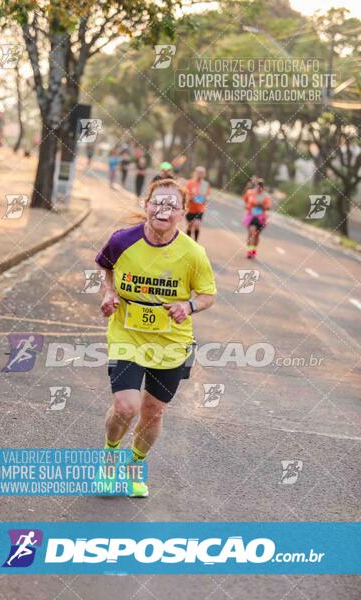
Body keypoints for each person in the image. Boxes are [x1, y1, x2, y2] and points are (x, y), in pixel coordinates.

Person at [95, 179, 217, 497]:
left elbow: (207, 295)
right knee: (126, 406)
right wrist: (109, 293)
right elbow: (106, 269)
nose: (163, 210)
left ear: (182, 213)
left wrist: (187, 306)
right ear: (146, 205)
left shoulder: (193, 254)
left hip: (172, 343)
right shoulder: (122, 241)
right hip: (128, 334)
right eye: (157, 203)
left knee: (153, 411)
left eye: (171, 205)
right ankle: (110, 460)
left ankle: (135, 467)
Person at [242, 179, 271, 259]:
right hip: (251, 216)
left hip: (261, 217)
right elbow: (245, 200)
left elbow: (268, 207)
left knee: (256, 235)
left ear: (263, 187)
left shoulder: (266, 196)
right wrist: (248, 205)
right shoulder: (250, 192)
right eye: (258, 185)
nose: (259, 187)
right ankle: (250, 252)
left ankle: (253, 250)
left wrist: (261, 205)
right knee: (252, 232)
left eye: (261, 185)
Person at [185, 166, 211, 242]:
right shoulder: (190, 183)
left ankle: (195, 242)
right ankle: (188, 242)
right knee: (189, 226)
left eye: (202, 173)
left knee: (197, 224)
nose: (200, 174)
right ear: (195, 173)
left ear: (204, 174)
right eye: (199, 172)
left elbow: (207, 196)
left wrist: (206, 199)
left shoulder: (205, 184)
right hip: (190, 208)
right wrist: (190, 198)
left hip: (200, 209)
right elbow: (186, 194)